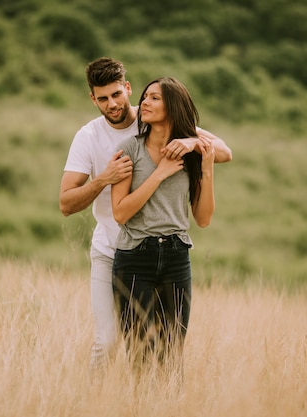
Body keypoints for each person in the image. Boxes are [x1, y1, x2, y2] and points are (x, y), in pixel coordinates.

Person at [59, 57, 232, 375]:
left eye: (116, 95)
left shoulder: (152, 119)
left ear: (127, 89)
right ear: (93, 99)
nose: (111, 104)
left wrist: (194, 145)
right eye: (102, 98)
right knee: (109, 341)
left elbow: (223, 150)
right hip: (113, 251)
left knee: (169, 348)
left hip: (169, 252)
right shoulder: (90, 137)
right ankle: (91, 403)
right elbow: (66, 204)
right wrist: (103, 179)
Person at [110, 77, 214, 379]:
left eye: (154, 98)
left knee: (171, 356)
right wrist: (160, 173)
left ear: (174, 105)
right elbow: (120, 212)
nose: (144, 102)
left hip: (176, 257)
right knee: (141, 356)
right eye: (144, 97)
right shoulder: (129, 148)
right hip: (134, 259)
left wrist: (206, 168)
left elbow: (203, 218)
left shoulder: (191, 154)